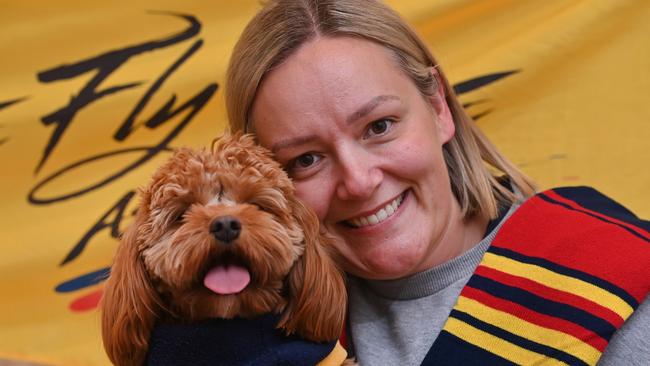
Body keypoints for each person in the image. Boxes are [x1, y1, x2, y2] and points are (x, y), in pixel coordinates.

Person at [225, 0, 650, 365]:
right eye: (307, 159)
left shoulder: (611, 290)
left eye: (379, 126)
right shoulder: (244, 325)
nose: (357, 182)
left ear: (438, 106)